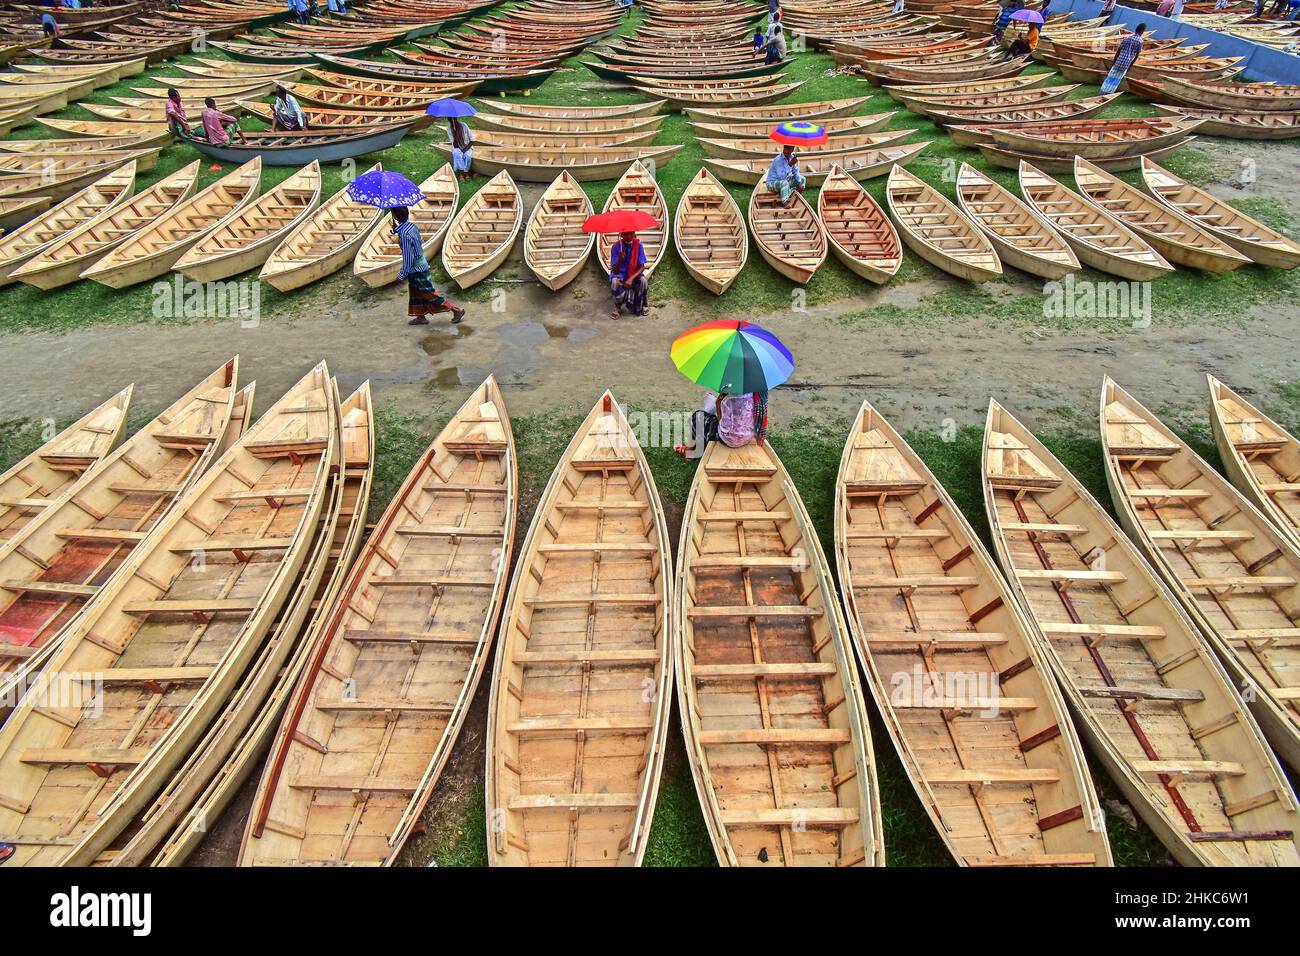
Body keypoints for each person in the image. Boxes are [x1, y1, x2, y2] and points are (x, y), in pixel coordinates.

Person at [394, 206, 465, 326]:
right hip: (421, 265)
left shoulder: (404, 234)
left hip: (416, 269)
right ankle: (420, 317)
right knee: (416, 292)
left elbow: (408, 257)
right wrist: (397, 231)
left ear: (395, 216)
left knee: (429, 293)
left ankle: (455, 310)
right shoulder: (411, 227)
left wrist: (401, 274)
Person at [608, 230, 648, 319]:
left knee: (643, 280)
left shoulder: (638, 245)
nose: (629, 236)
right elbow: (614, 271)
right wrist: (619, 259)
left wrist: (631, 278)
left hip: (633, 274)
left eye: (631, 233)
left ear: (634, 234)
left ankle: (643, 304)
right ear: (621, 234)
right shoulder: (616, 247)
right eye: (626, 234)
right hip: (620, 275)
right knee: (614, 281)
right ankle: (617, 307)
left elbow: (642, 267)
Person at [1100, 24, 1145, 95]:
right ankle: (1109, 94)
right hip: (1126, 63)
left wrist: (1114, 61)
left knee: (1110, 77)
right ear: (1142, 31)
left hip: (1119, 61)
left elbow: (1118, 51)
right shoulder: (1140, 41)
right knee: (1116, 80)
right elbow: (1136, 55)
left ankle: (1102, 92)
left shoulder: (1127, 38)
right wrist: (1130, 66)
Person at [447, 115, 473, 181]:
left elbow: (472, 140)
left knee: (467, 155)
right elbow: (454, 144)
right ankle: (462, 173)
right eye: (451, 121)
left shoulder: (464, 126)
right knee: (456, 154)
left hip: (467, 147)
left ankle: (466, 172)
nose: (453, 122)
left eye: (454, 120)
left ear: (456, 119)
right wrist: (455, 134)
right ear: (449, 121)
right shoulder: (449, 129)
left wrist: (464, 150)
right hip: (457, 147)